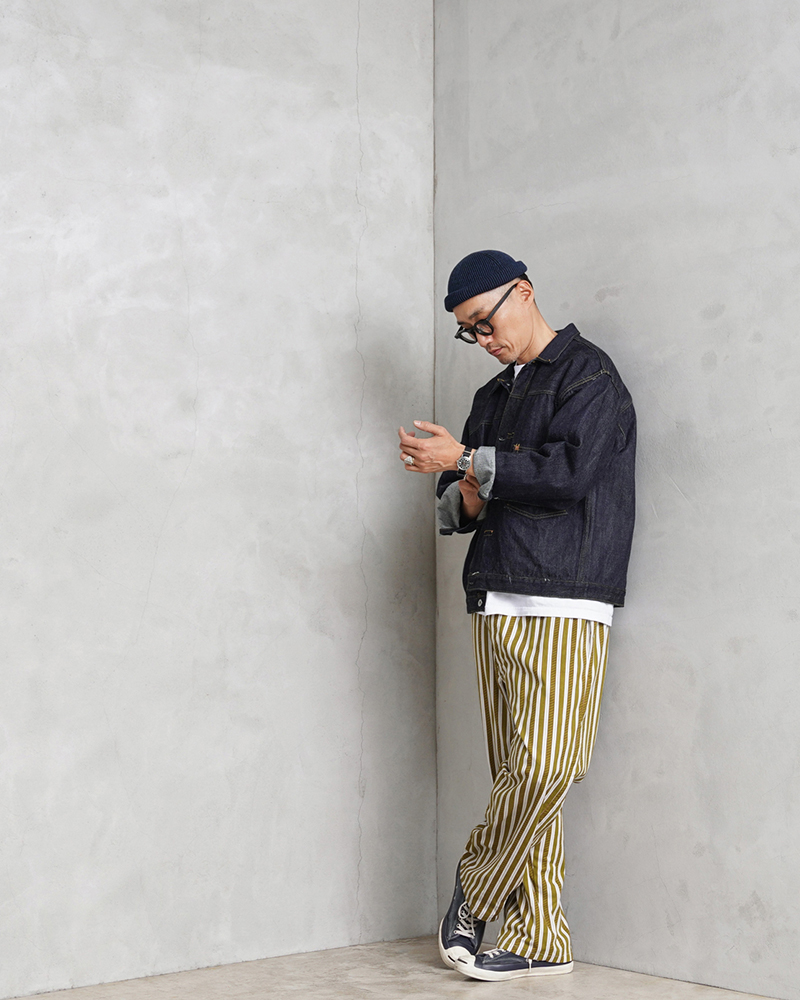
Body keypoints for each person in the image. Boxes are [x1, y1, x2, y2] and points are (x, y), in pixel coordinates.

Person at [397, 250, 636, 983]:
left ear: (523, 292)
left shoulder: (589, 377)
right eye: (469, 331)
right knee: (516, 777)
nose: (483, 339)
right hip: (493, 594)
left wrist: (468, 456)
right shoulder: (491, 396)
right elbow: (461, 509)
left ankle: (476, 884)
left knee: (549, 764)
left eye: (485, 321)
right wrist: (456, 474)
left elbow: (568, 476)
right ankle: (541, 936)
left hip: (565, 595)